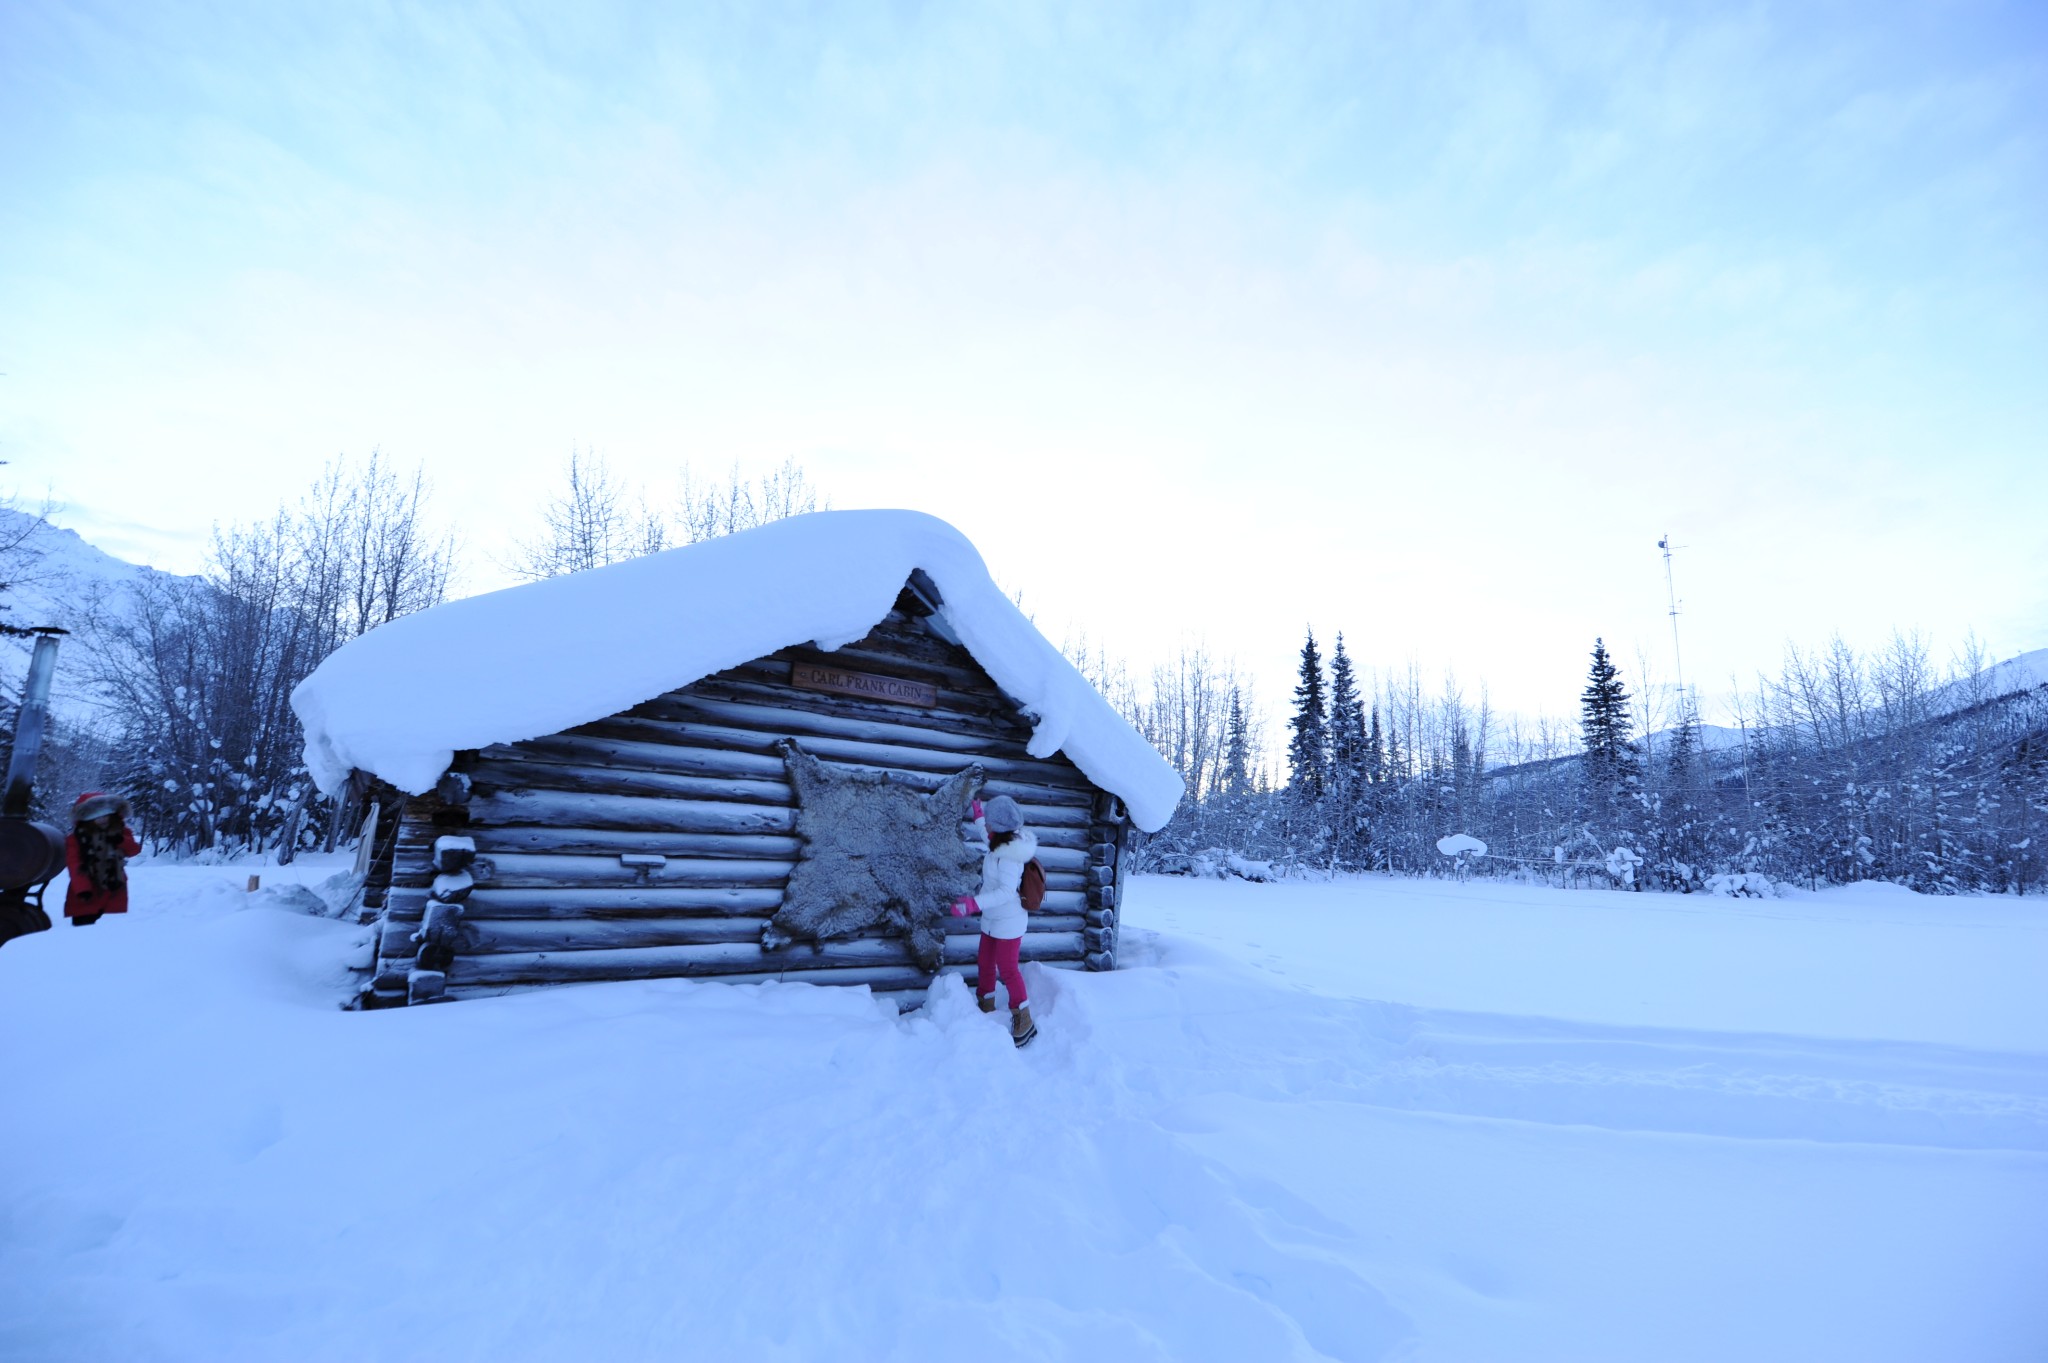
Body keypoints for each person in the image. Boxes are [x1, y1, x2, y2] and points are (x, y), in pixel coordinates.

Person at [951, 794, 1040, 1047]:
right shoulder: (997, 842)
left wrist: (973, 904)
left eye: (989, 822)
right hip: (992, 920)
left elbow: (1005, 892)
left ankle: (1024, 1018)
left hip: (1008, 923)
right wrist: (978, 816)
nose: (986, 827)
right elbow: (985, 833)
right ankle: (985, 1006)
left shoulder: (1010, 856)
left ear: (999, 827)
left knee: (1008, 970)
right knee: (985, 964)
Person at [64, 792, 140, 927]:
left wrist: (121, 841)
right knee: (83, 932)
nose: (103, 819)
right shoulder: (76, 838)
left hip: (114, 887)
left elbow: (133, 850)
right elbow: (74, 864)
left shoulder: (120, 831)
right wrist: (82, 889)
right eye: (96, 816)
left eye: (106, 815)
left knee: (111, 932)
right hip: (87, 889)